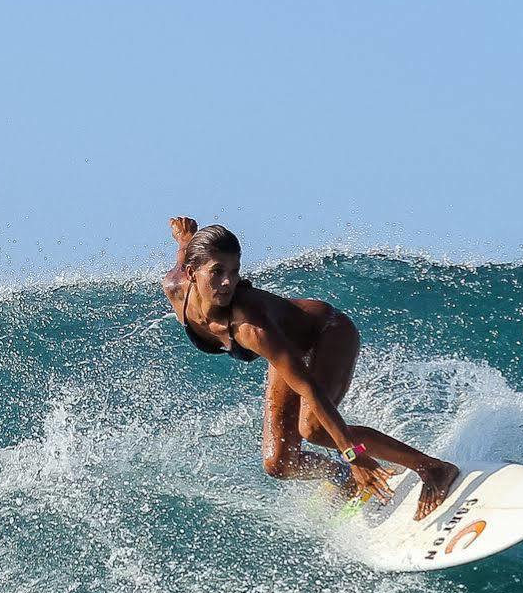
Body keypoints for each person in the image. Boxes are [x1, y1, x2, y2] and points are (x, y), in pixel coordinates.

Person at [163, 217, 458, 518]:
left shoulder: (250, 326)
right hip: (288, 348)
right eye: (217, 272)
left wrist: (353, 454)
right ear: (192, 274)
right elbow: (185, 256)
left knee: (313, 429)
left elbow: (308, 387)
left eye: (234, 271)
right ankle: (342, 477)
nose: (228, 282)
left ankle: (433, 468)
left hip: (327, 332)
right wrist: (185, 238)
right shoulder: (175, 288)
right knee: (278, 463)